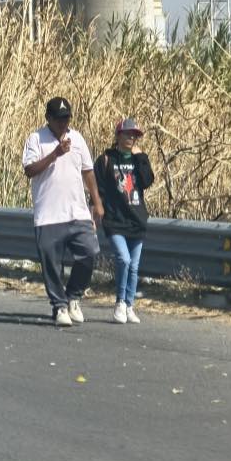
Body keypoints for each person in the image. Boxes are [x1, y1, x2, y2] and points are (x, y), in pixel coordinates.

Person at [22, 97, 105, 327]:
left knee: (89, 252)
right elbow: (29, 170)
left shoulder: (77, 139)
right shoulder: (36, 139)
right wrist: (55, 154)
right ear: (48, 118)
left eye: (66, 118)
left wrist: (97, 202)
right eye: (58, 119)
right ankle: (59, 306)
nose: (62, 123)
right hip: (48, 214)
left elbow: (88, 171)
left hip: (77, 212)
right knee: (51, 263)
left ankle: (73, 298)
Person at [95, 118, 154, 324]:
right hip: (115, 219)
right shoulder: (106, 159)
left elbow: (147, 181)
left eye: (135, 135)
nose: (131, 138)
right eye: (128, 134)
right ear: (118, 135)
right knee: (124, 259)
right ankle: (120, 302)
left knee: (135, 266)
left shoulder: (139, 159)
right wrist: (97, 213)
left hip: (136, 219)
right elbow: (99, 188)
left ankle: (130, 305)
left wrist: (141, 158)